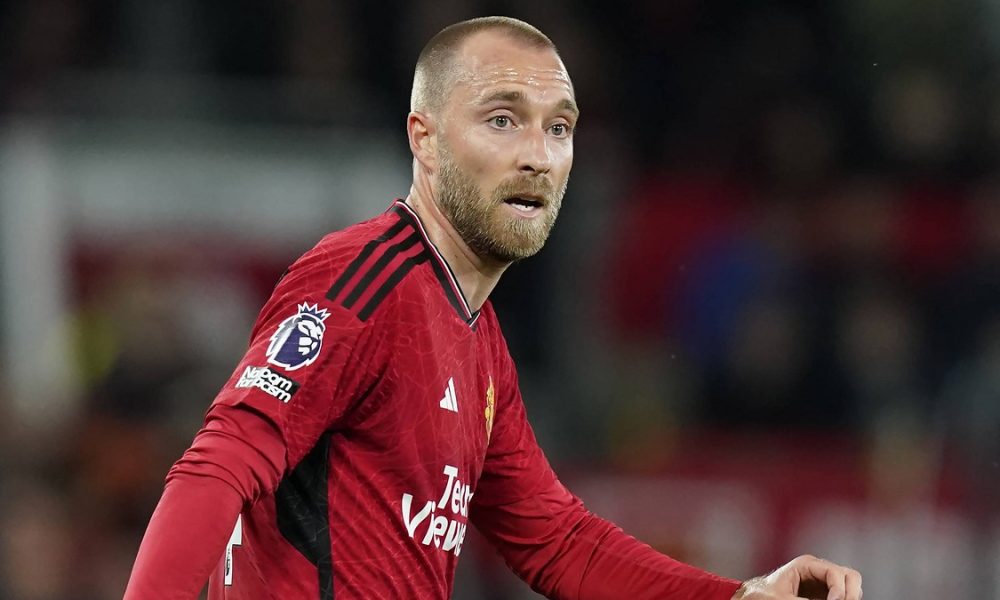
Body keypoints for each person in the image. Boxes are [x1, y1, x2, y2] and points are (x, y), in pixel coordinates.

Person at [124, 16, 863, 600]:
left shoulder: (479, 342)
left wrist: (740, 596)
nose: (537, 155)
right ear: (425, 140)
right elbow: (217, 466)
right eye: (503, 120)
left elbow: (557, 542)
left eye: (559, 127)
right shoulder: (362, 280)